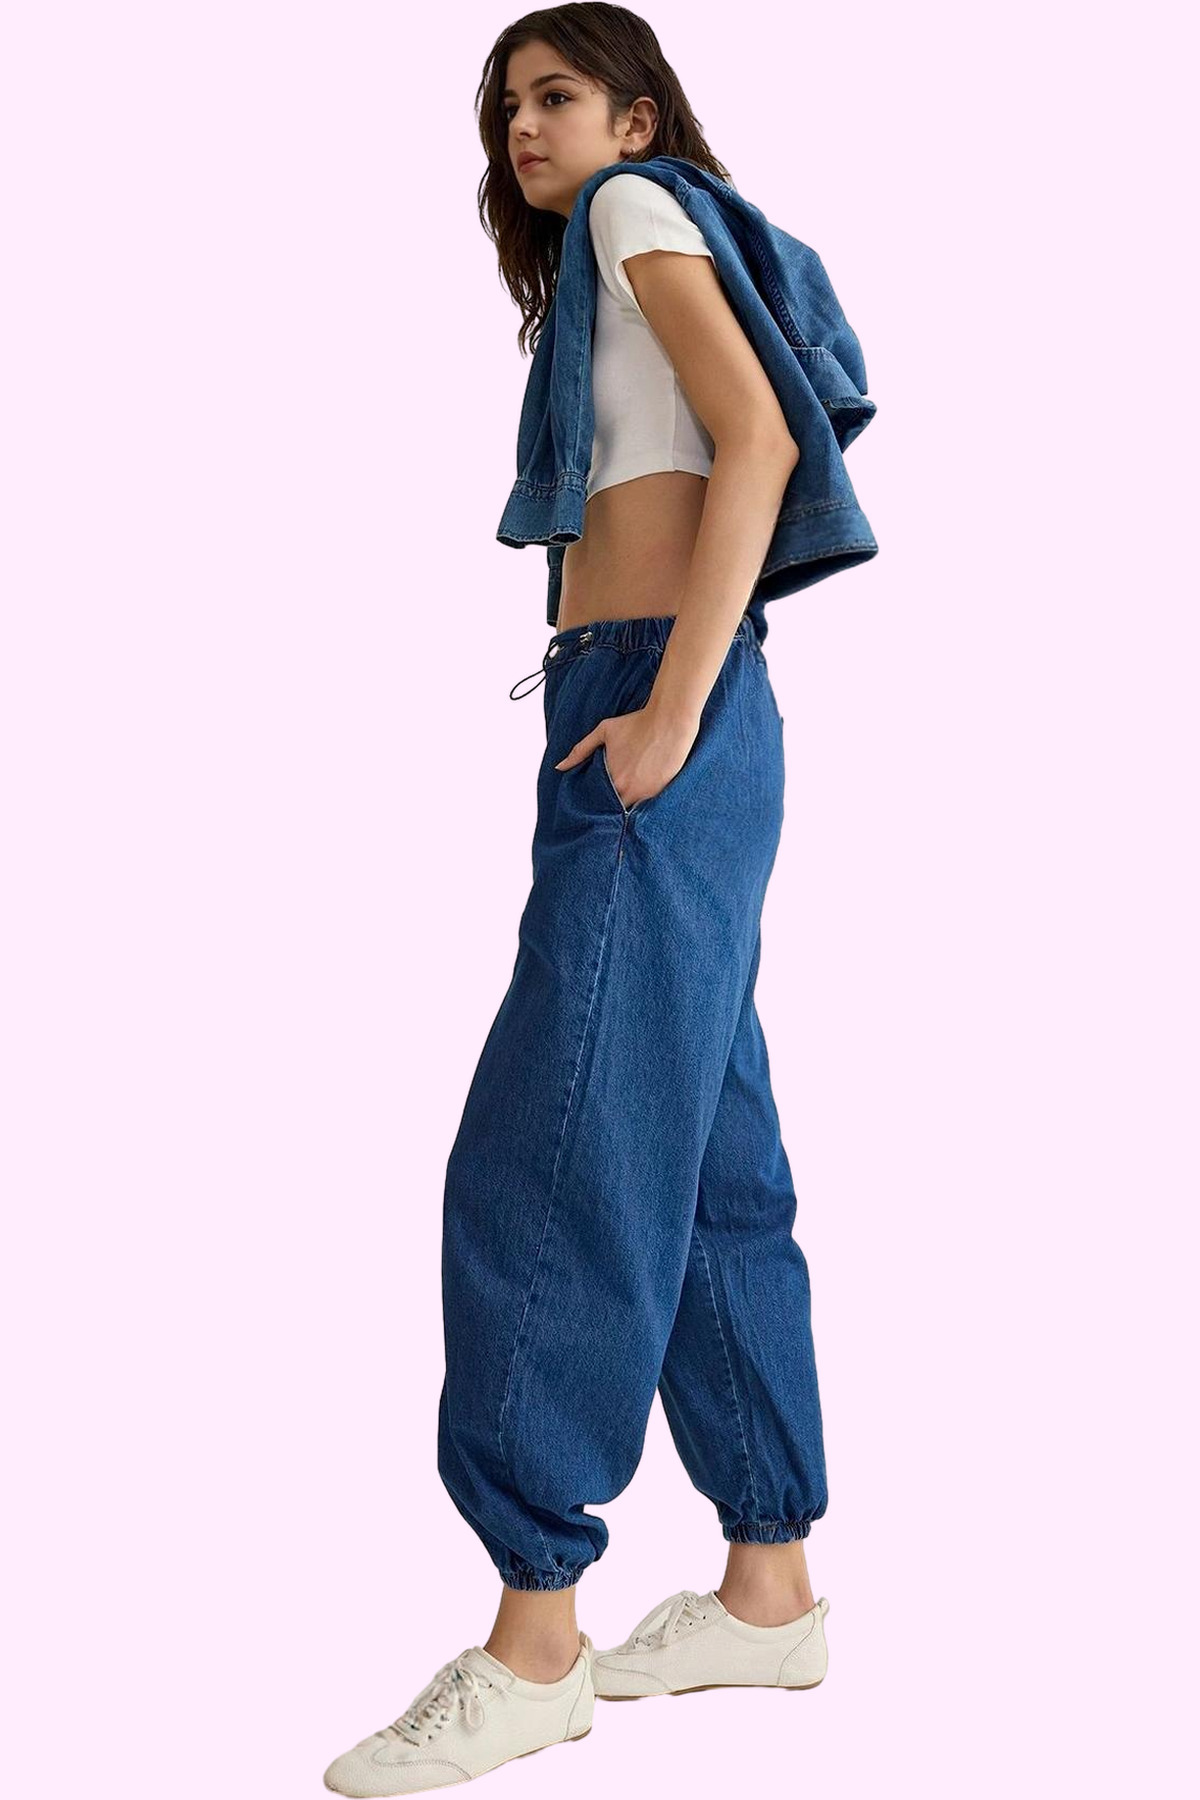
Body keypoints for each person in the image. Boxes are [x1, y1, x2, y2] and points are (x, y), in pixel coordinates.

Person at [323, 7, 864, 1792]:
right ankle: (768, 1587)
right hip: (650, 702)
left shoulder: (638, 207)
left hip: (656, 702)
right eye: (507, 108)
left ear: (635, 113)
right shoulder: (621, 245)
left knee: (552, 1157)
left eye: (555, 94)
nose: (524, 128)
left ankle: (535, 1636)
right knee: (701, 1152)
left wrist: (667, 715)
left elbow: (758, 439)